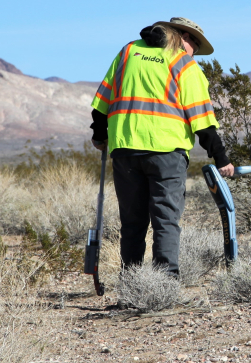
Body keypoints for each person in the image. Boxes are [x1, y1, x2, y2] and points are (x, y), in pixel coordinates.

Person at [89, 17, 234, 292]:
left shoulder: (129, 51)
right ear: (181, 37)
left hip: (125, 149)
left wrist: (99, 135)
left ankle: (130, 288)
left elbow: (101, 103)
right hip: (167, 152)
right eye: (194, 44)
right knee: (165, 220)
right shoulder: (183, 63)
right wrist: (222, 158)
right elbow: (202, 120)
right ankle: (165, 288)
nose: (194, 52)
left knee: (132, 223)